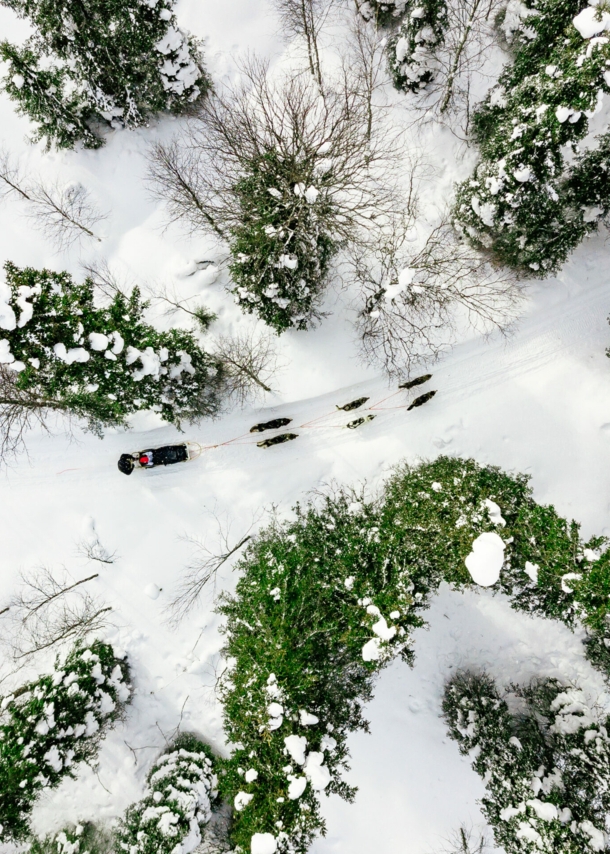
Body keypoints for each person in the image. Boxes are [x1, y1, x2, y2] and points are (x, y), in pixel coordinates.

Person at [117, 443, 190, 475]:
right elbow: (128, 472)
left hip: (151, 455)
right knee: (164, 457)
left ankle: (180, 450)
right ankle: (182, 455)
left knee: (163, 452)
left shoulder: (125, 457)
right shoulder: (129, 467)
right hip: (152, 459)